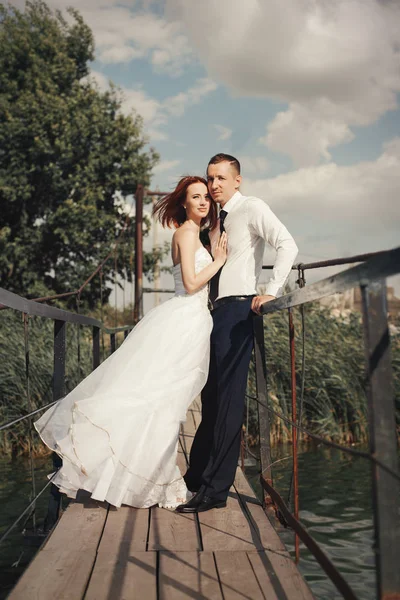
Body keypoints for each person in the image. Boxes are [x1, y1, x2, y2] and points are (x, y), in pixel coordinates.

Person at [34, 176, 228, 509]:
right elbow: (192, 282)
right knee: (163, 402)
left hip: (192, 322)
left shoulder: (198, 234)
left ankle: (149, 477)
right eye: (195, 197)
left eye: (206, 198)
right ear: (183, 202)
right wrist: (219, 262)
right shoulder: (185, 232)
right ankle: (158, 481)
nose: (202, 202)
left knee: (166, 402)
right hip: (183, 320)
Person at [177, 154, 298, 513]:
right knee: (212, 398)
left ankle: (215, 491)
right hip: (214, 313)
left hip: (239, 309)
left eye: (220, 178)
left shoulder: (252, 208)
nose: (213, 184)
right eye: (210, 178)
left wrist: (272, 289)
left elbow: (287, 244)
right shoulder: (214, 222)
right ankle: (196, 476)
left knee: (229, 400)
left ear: (237, 180)